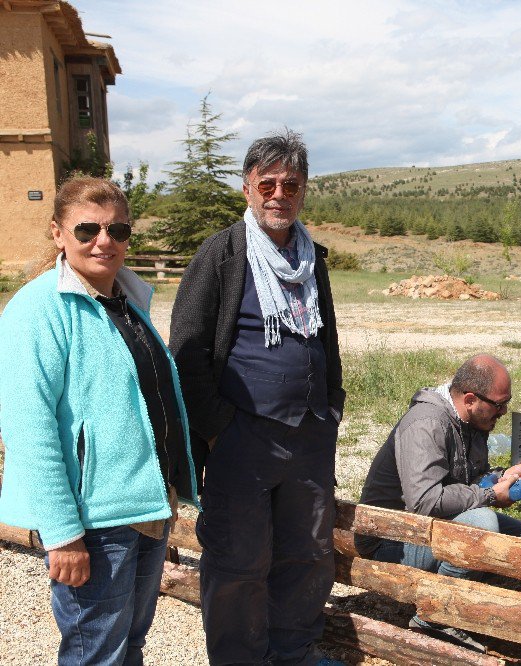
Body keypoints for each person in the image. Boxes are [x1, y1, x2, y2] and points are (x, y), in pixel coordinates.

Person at [0, 177, 200, 665]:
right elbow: (29, 430)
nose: (103, 241)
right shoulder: (39, 309)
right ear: (57, 233)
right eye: (87, 229)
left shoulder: (128, 301)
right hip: (94, 523)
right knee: (96, 654)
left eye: (118, 230)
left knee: (129, 645)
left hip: (145, 507)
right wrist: (63, 533)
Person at [169, 130, 345, 666]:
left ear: (304, 190)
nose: (278, 194)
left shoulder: (312, 257)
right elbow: (187, 349)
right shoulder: (222, 253)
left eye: (290, 184)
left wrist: (331, 408)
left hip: (310, 436)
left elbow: (327, 339)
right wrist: (219, 427)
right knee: (238, 559)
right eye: (266, 183)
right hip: (242, 439)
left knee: (308, 554)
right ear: (247, 189)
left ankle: (291, 653)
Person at [357, 353, 521, 652]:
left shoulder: (470, 421)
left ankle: (469, 597)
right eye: (499, 404)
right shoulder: (427, 424)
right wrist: (492, 495)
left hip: (426, 528)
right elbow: (425, 501)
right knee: (482, 525)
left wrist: (501, 477)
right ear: (470, 398)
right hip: (391, 540)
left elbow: (469, 481)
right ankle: (436, 617)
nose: (504, 411)